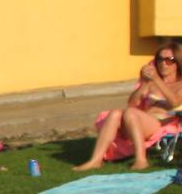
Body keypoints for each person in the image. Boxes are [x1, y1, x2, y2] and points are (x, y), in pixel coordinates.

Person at [74, 42, 182, 171]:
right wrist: (145, 83)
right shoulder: (151, 81)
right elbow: (132, 103)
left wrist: (157, 80)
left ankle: (141, 160)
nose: (163, 63)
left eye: (169, 60)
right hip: (138, 121)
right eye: (159, 59)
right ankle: (96, 160)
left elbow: (175, 102)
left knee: (130, 113)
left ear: (178, 62)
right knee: (115, 113)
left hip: (163, 123)